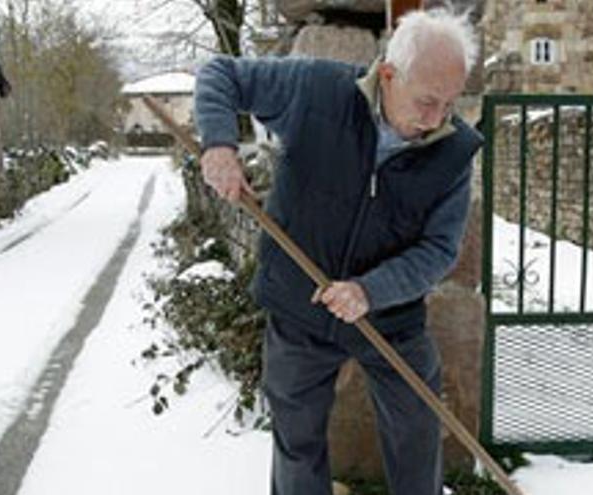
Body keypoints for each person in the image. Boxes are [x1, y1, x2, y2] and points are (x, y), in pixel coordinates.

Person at [195, 8, 481, 495]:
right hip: (300, 308)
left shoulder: (454, 151)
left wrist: (370, 290)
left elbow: (438, 249)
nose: (436, 120)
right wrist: (219, 145)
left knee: (417, 426)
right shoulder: (317, 90)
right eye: (427, 101)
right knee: (297, 437)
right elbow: (221, 74)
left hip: (390, 315)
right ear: (388, 75)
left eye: (450, 104)